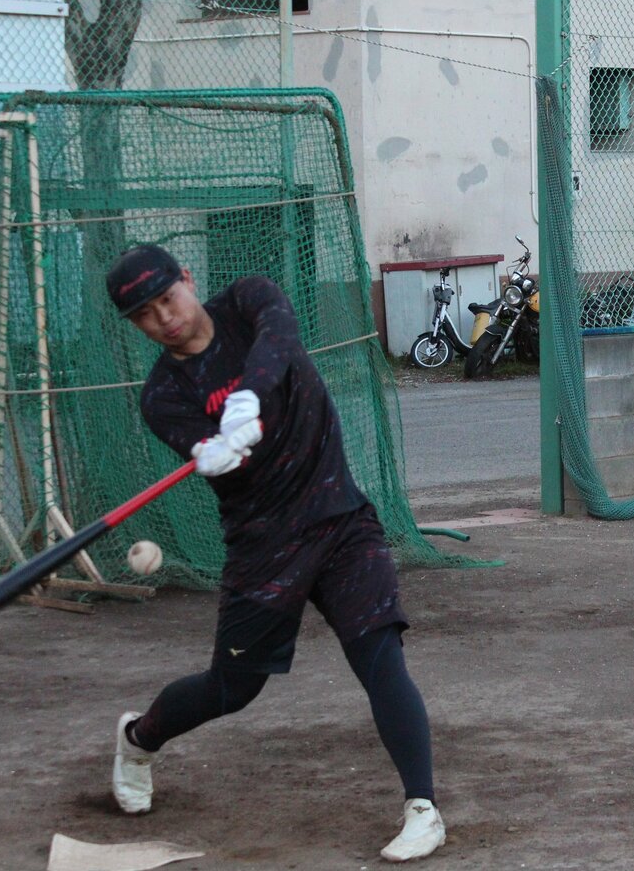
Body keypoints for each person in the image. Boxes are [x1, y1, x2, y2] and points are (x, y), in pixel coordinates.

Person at [104, 244, 445, 863]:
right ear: (135, 326)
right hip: (264, 546)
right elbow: (208, 447)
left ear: (188, 276)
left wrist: (247, 399)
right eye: (146, 316)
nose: (166, 318)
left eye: (168, 298)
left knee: (379, 654)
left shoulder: (249, 301)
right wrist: (212, 451)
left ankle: (423, 807)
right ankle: (138, 739)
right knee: (232, 689)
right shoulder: (162, 397)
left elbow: (279, 342)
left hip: (340, 518)